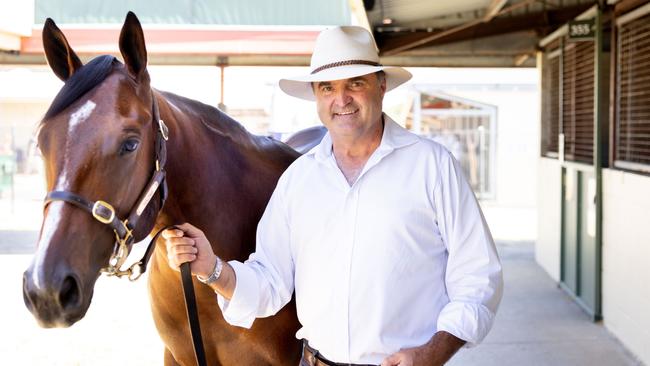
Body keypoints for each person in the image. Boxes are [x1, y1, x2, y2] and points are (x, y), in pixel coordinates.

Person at [164, 26, 503, 366]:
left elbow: (478, 277)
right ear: (316, 96)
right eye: (328, 87)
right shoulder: (298, 179)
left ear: (381, 86)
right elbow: (270, 281)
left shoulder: (433, 167)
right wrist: (212, 268)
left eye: (355, 83)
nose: (341, 100)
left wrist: (433, 353)